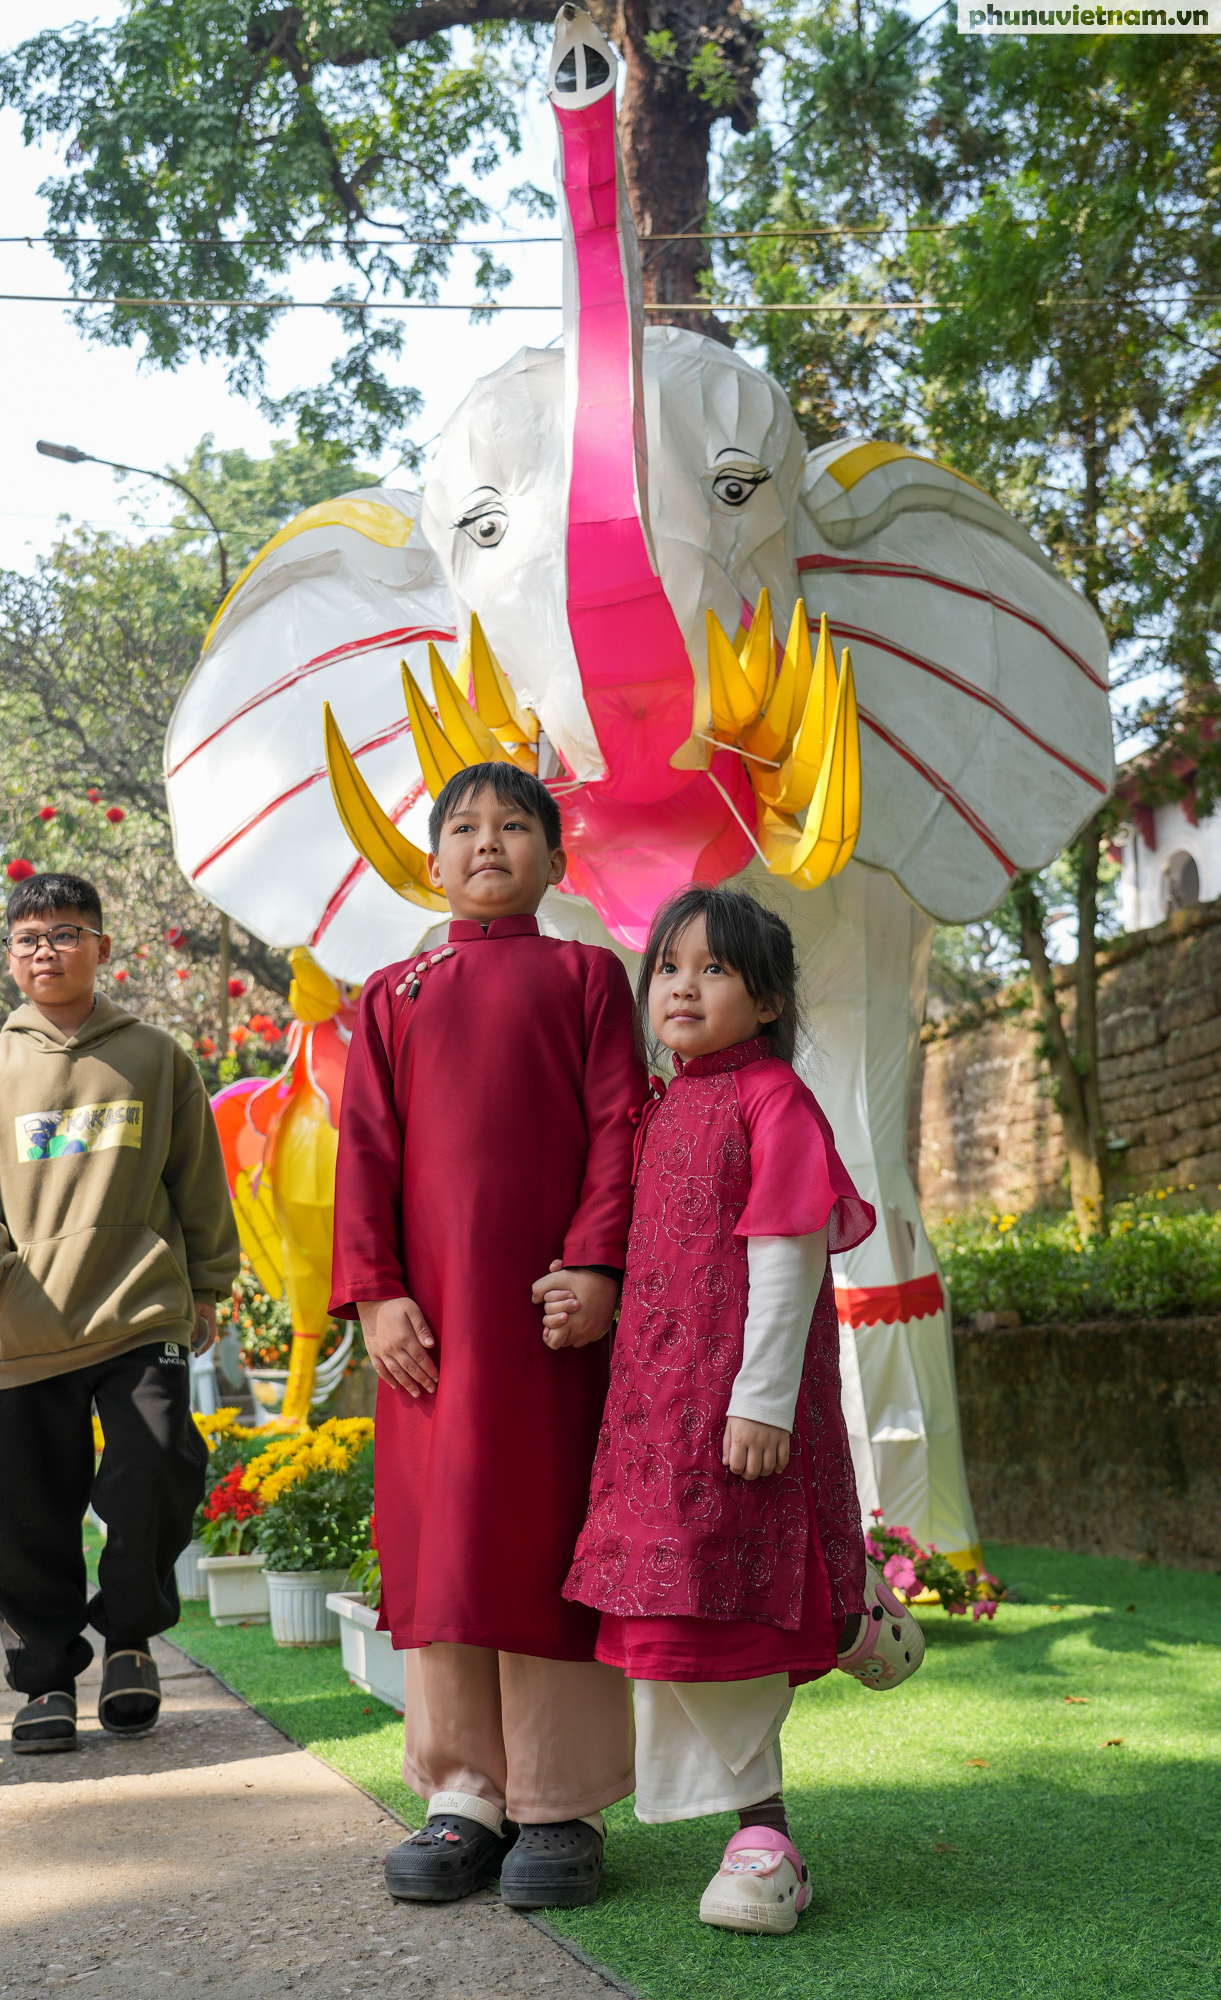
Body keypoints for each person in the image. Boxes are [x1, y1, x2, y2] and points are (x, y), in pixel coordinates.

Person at [557, 884, 926, 1937]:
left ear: (766, 1001)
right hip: (653, 1409)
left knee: (717, 1605)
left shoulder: (773, 1099)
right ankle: (850, 1612)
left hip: (738, 1403)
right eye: (670, 965)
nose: (683, 984)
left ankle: (768, 1836)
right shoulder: (661, 1105)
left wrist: (760, 1397)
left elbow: (789, 1251)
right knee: (663, 1593)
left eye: (714, 968)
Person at [331, 763, 648, 1911]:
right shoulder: (389, 994)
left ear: (557, 861)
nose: (487, 841)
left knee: (546, 1535)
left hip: (551, 1319)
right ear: (432, 858)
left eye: (516, 825)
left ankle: (560, 1800)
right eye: (462, 825)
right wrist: (374, 1293)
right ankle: (463, 1793)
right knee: (444, 1545)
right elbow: (363, 1150)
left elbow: (620, 1129)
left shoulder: (588, 977)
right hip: (431, 1331)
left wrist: (599, 1264)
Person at [0, 872, 239, 1754]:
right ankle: (46, 1681)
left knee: (158, 1470)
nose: (46, 951)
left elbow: (197, 1185)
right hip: (24, 1330)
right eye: (28, 939)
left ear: (102, 948)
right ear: (10, 958)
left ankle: (131, 1640)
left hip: (140, 1311)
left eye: (66, 934)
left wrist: (206, 1286)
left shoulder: (153, 1057)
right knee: (26, 1513)